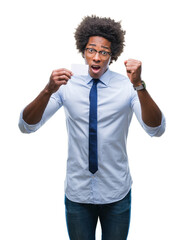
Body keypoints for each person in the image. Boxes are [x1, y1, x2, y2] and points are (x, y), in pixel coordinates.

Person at [19, 15, 166, 240]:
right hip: (78, 193)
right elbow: (26, 126)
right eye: (91, 50)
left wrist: (139, 85)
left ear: (112, 55)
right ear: (83, 50)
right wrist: (47, 90)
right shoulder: (67, 84)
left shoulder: (127, 87)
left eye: (104, 52)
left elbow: (156, 129)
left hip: (116, 192)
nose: (96, 58)